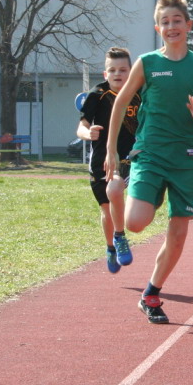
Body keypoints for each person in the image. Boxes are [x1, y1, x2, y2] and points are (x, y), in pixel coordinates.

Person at [104, 0, 193, 324]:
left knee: (179, 234)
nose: (171, 27)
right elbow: (120, 103)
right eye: (165, 22)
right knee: (136, 221)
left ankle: (151, 294)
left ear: (189, 25)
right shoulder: (147, 63)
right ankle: (124, 228)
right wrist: (111, 149)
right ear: (158, 28)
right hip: (152, 153)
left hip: (188, 158)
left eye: (177, 21)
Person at [77, 47, 141, 273]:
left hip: (131, 157)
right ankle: (111, 247)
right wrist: (88, 133)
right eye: (112, 70)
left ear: (131, 72)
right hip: (102, 159)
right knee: (106, 207)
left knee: (117, 192)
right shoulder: (97, 94)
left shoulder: (140, 93)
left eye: (123, 70)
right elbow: (81, 127)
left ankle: (120, 235)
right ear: (105, 74)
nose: (117, 74)